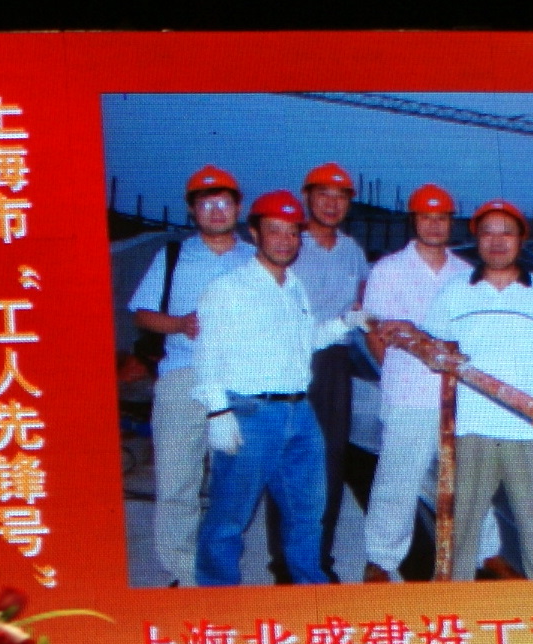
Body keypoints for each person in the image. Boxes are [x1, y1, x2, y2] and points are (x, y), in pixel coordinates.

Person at [417, 199, 533, 580]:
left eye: (507, 233)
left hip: (532, 433)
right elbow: (434, 346)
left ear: (521, 240)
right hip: (471, 431)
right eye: (488, 233)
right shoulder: (455, 292)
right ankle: (452, 610)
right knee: (458, 535)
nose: (497, 241)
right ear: (477, 240)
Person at [191, 190, 364, 587]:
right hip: (251, 416)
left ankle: (308, 590)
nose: (285, 240)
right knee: (229, 518)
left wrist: (346, 323)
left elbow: (306, 342)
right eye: (275, 231)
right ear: (254, 233)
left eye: (292, 232)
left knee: (307, 515)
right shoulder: (229, 288)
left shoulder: (294, 287)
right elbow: (206, 354)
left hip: (301, 414)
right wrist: (218, 412)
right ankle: (217, 597)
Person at [359, 184, 505, 583]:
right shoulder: (388, 270)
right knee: (398, 479)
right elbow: (376, 335)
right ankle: (381, 559)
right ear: (415, 221)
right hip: (409, 397)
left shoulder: (466, 275)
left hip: (460, 400)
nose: (435, 225)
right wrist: (401, 373)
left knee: (470, 479)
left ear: (450, 223)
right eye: (427, 217)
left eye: (441, 218)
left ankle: (488, 552)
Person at [127, 166, 256, 588]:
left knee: (234, 483)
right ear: (192, 210)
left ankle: (220, 565)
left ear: (238, 207)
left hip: (240, 384)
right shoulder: (172, 256)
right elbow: (143, 314)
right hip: (183, 378)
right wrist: (180, 324)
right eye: (206, 204)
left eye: (224, 203)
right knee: (177, 480)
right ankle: (184, 573)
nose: (216, 212)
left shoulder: (256, 259)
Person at [283, 161, 371, 580]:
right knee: (289, 464)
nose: (332, 204)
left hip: (334, 363)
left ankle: (320, 559)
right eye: (324, 195)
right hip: (290, 359)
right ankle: (286, 564)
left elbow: (367, 304)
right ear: (306, 198)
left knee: (331, 462)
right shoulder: (288, 243)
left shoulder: (353, 251)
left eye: (341, 197)